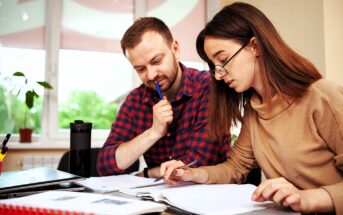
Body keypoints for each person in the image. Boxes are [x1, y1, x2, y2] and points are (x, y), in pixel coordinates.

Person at [160, 3, 343, 215]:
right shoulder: (254, 109)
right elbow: (236, 168)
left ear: (254, 46)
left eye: (223, 59)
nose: (219, 75)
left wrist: (307, 198)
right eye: (214, 66)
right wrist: (191, 174)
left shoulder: (323, 97)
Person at [97, 17, 231, 178]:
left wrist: (148, 173)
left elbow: (197, 163)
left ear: (175, 49)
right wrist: (154, 132)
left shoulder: (208, 87)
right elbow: (105, 165)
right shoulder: (135, 101)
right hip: (159, 197)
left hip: (208, 194)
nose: (151, 75)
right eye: (140, 69)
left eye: (156, 61)